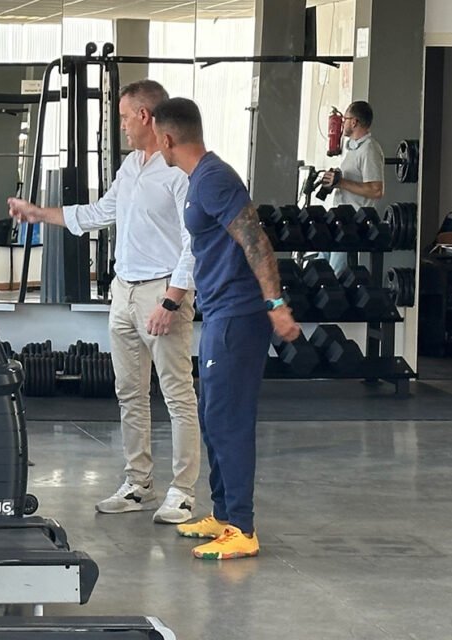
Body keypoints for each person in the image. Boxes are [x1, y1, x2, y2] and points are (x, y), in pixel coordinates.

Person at [7, 80, 202, 525]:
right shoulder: (131, 166)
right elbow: (99, 213)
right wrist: (40, 213)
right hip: (124, 290)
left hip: (161, 292)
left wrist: (172, 301)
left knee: (177, 395)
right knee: (129, 393)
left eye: (125, 117)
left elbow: (194, 243)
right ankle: (139, 484)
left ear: (145, 117)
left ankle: (183, 493)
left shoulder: (179, 171)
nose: (122, 126)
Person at [151, 97, 301, 559]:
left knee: (229, 419)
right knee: (214, 416)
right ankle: (223, 514)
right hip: (219, 311)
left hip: (239, 313)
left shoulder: (214, 178)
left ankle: (243, 527)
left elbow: (256, 240)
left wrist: (276, 304)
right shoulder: (199, 180)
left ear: (167, 138)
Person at [321, 101, 385, 273]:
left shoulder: (369, 149)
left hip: (352, 223)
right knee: (319, 269)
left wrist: (341, 182)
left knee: (334, 276)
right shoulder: (352, 148)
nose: (343, 123)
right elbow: (349, 183)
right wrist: (335, 180)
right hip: (338, 218)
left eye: (345, 119)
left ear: (355, 122)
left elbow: (376, 190)